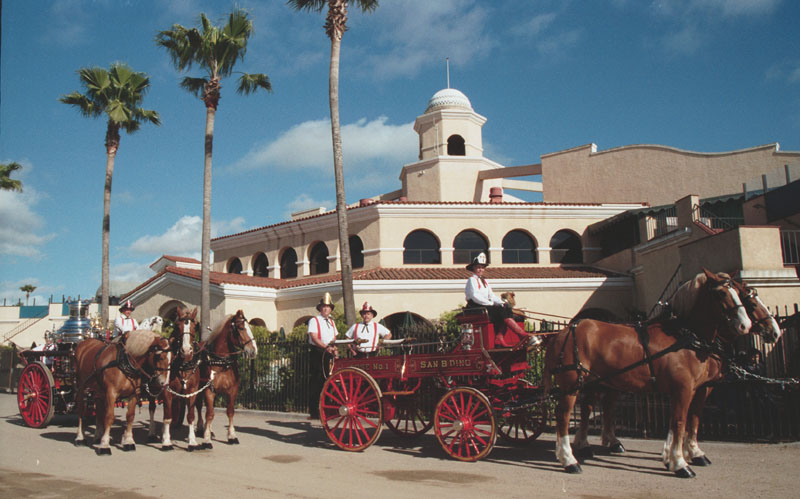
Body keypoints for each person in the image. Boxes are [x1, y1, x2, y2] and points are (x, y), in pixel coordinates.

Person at [464, 252, 540, 348]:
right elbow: (475, 296)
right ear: (473, 268)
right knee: (501, 310)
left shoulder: (484, 281)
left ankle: (499, 338)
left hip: (485, 305)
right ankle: (522, 335)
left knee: (506, 308)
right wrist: (490, 303)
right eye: (478, 267)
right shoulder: (472, 280)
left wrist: (502, 302)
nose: (480, 269)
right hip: (476, 306)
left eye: (482, 267)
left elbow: (491, 295)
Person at [307, 292, 338, 420]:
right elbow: (314, 337)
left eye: (328, 306)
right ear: (320, 308)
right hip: (318, 352)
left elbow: (334, 336)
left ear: (331, 309)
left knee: (330, 380)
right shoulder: (314, 320)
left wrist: (333, 348)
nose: (326, 309)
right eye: (324, 306)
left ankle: (327, 407)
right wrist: (326, 347)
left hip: (329, 352)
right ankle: (314, 410)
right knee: (318, 380)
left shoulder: (331, 321)